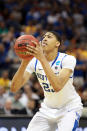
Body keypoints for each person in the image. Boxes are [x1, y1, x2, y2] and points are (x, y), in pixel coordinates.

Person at [11, 31, 83, 131]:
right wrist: (24, 61)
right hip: (48, 109)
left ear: (57, 44)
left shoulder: (68, 59)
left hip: (69, 108)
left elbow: (57, 86)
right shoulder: (34, 61)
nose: (44, 39)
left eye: (49, 37)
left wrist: (41, 58)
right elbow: (14, 88)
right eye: (43, 37)